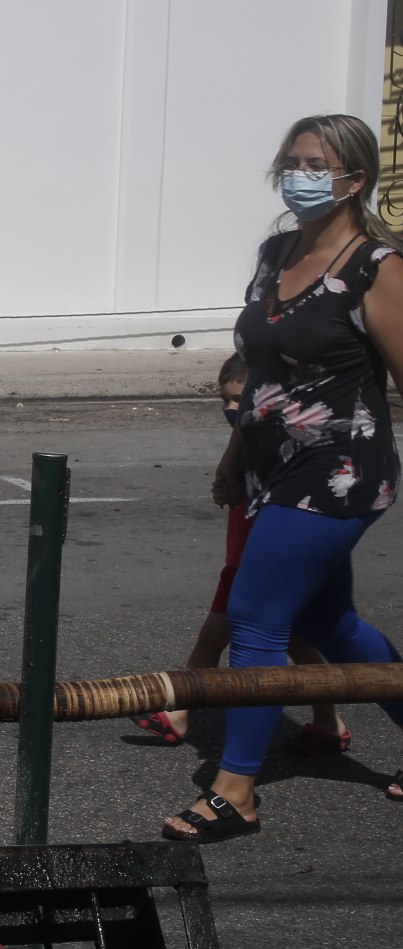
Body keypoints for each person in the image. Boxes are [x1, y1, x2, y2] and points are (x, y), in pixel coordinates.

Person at [162, 113, 403, 843]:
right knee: (328, 623)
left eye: (316, 166)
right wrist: (236, 453)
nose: (299, 176)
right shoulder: (276, 252)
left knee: (256, 617)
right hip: (273, 466)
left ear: (354, 179)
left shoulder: (377, 267)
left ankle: (235, 790)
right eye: (293, 162)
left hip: (339, 470)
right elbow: (262, 372)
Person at [129, 353, 345, 750]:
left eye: (238, 400)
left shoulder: (279, 442)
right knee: (294, 643)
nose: (230, 408)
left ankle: (181, 714)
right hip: (243, 559)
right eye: (224, 400)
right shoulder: (249, 440)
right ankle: (329, 723)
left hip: (258, 564)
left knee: (215, 638)